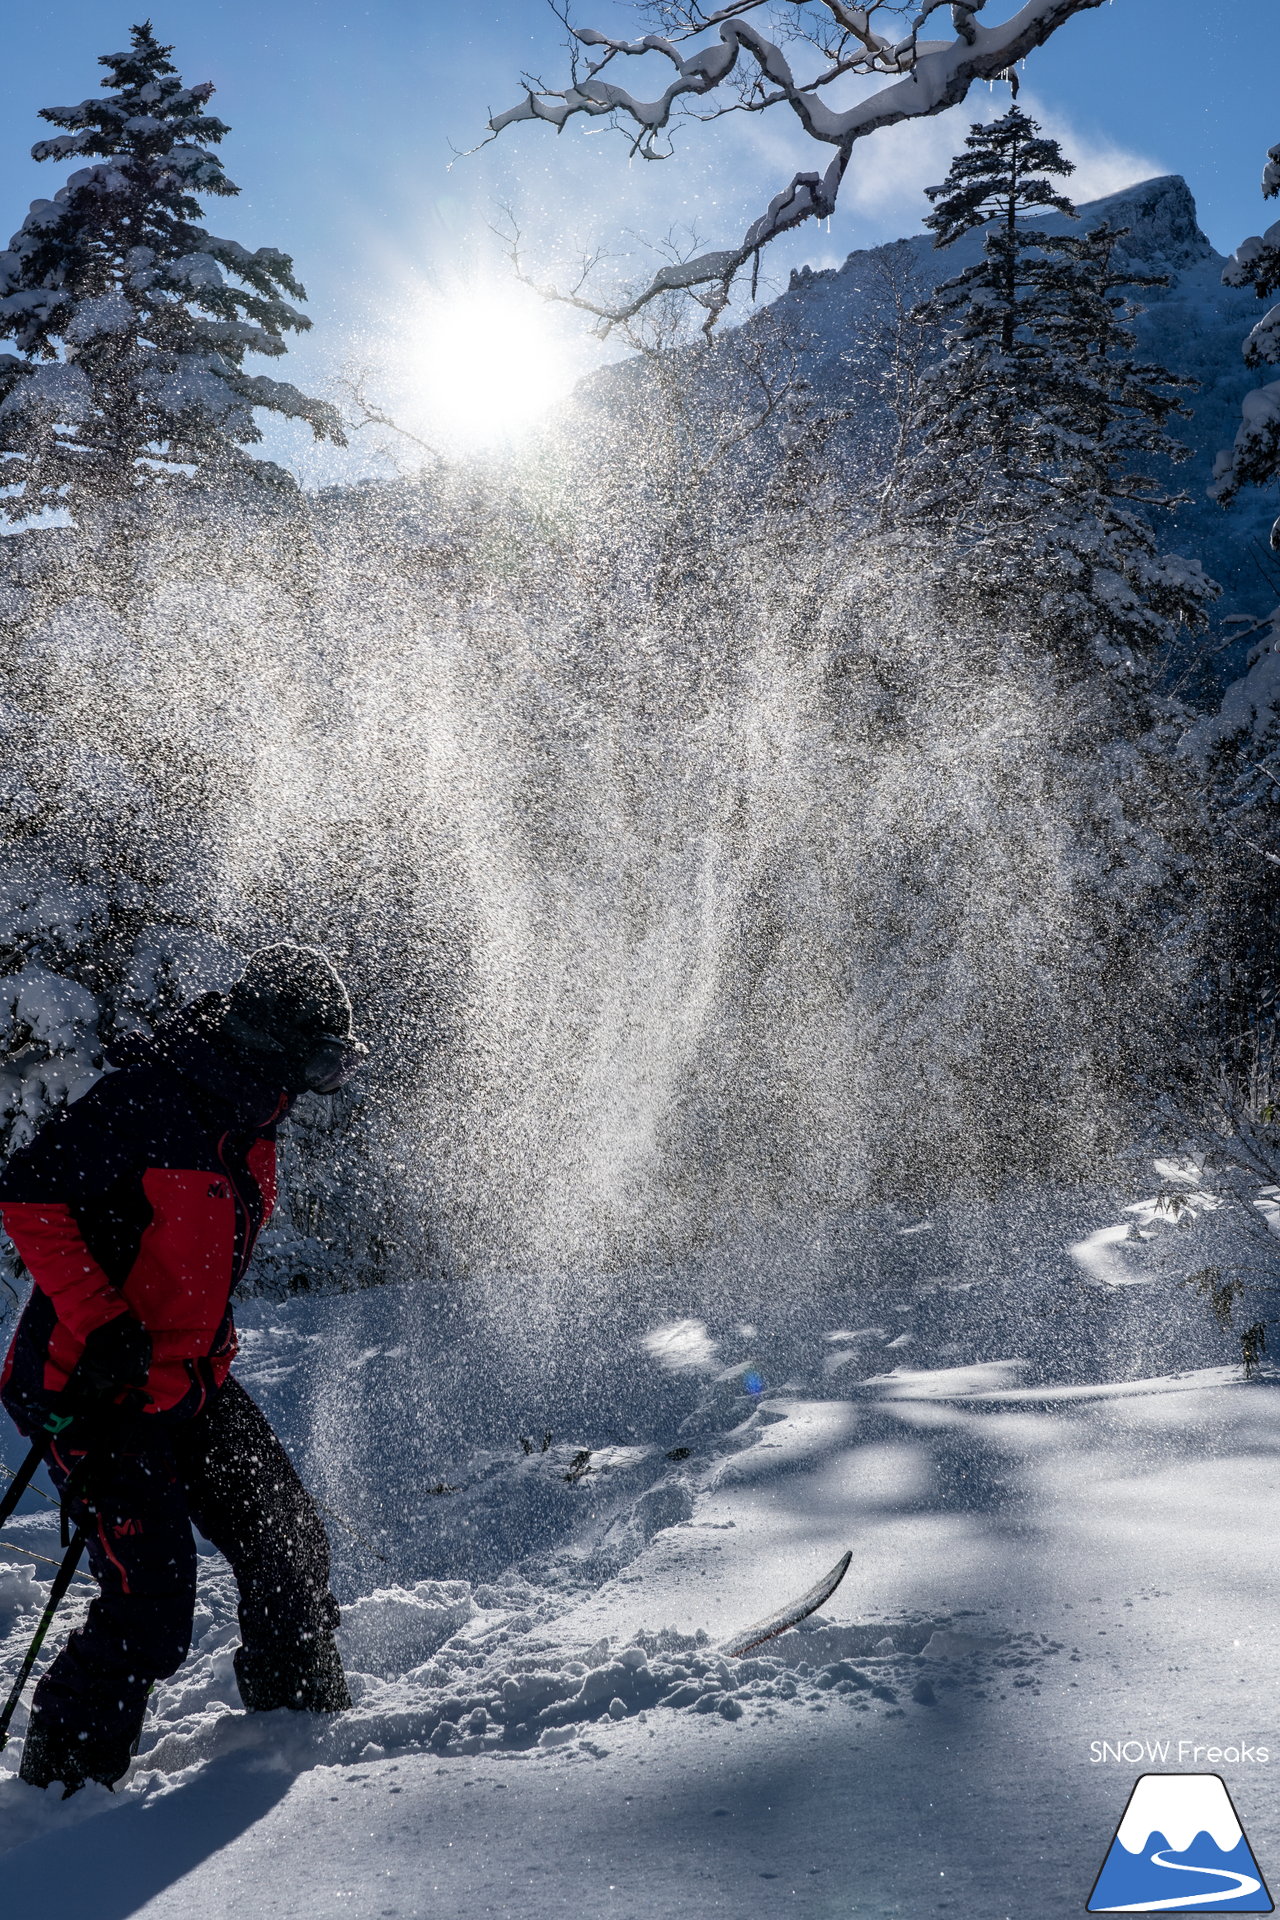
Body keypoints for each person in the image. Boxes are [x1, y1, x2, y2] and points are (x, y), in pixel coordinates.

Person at [0, 943, 366, 1795]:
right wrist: (103, 1319)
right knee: (151, 1603)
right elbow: (26, 1191)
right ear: (272, 1039)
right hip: (94, 1390)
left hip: (190, 1381)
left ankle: (298, 1730)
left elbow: (190, 1256)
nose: (324, 1080)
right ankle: (60, 1797)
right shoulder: (152, 1102)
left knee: (288, 1547)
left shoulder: (248, 1115)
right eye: (319, 1058)